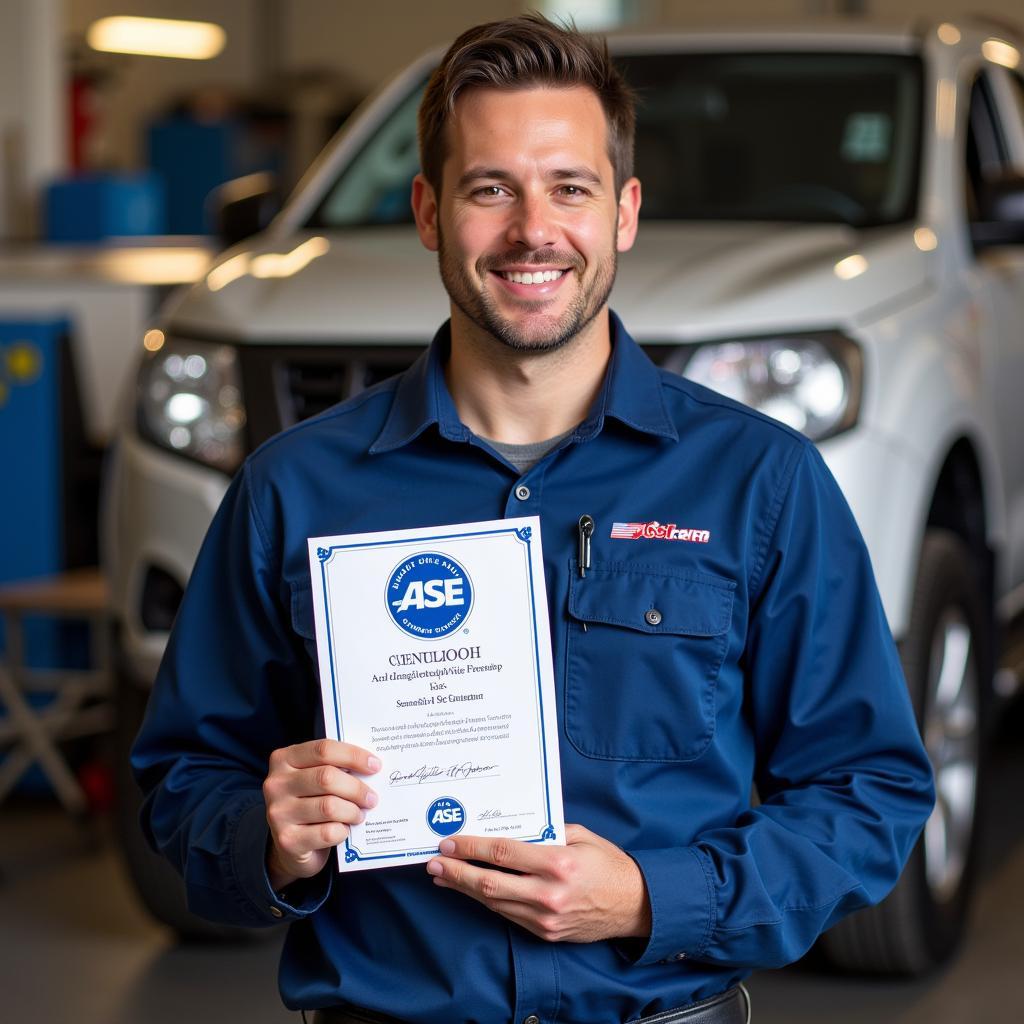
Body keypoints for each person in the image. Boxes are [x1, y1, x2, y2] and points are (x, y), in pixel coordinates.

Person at [132, 14, 935, 1024]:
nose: (531, 230)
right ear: (427, 211)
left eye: (569, 187)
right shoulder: (293, 489)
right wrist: (268, 831)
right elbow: (181, 779)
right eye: (488, 189)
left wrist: (652, 897)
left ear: (624, 212)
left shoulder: (759, 482)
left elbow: (866, 792)